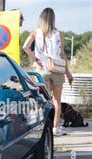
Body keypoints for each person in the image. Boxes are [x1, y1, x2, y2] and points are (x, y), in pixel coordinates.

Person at [23, 7, 74, 136]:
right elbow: (62, 54)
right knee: (57, 101)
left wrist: (36, 59)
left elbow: (25, 47)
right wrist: (68, 72)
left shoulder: (35, 32)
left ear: (41, 19)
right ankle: (55, 128)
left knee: (42, 100)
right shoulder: (59, 33)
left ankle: (41, 127)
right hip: (57, 70)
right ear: (53, 19)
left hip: (42, 70)